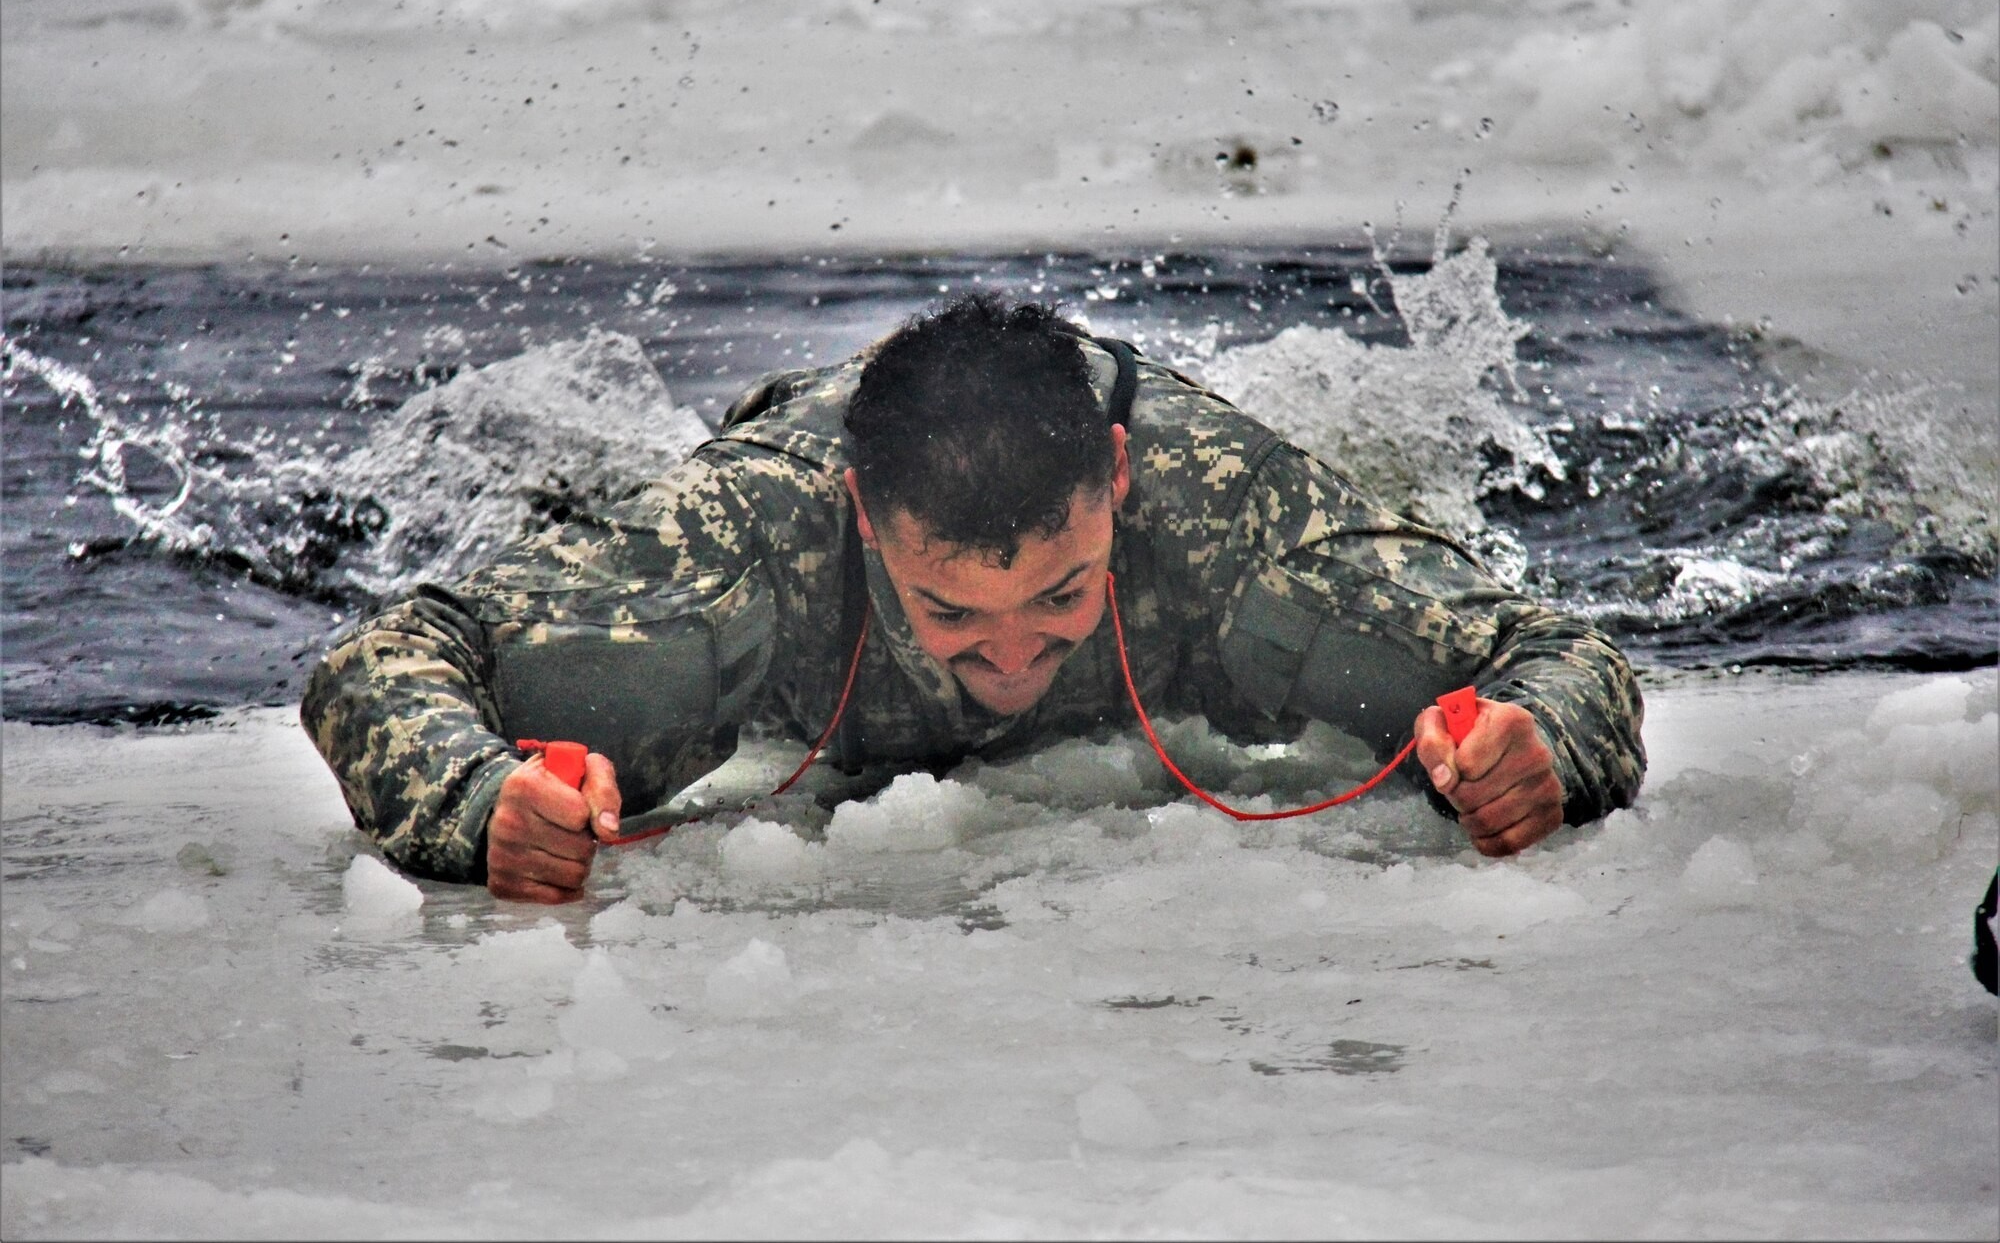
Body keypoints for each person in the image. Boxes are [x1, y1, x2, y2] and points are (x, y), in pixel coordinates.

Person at [302, 293, 1646, 903]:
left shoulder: (1229, 521)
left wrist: (1541, 748)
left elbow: (1560, 651)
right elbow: (385, 655)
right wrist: (482, 805)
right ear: (867, 524)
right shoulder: (743, 548)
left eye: (1060, 593)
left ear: (1116, 483)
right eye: (952, 613)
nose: (1011, 654)